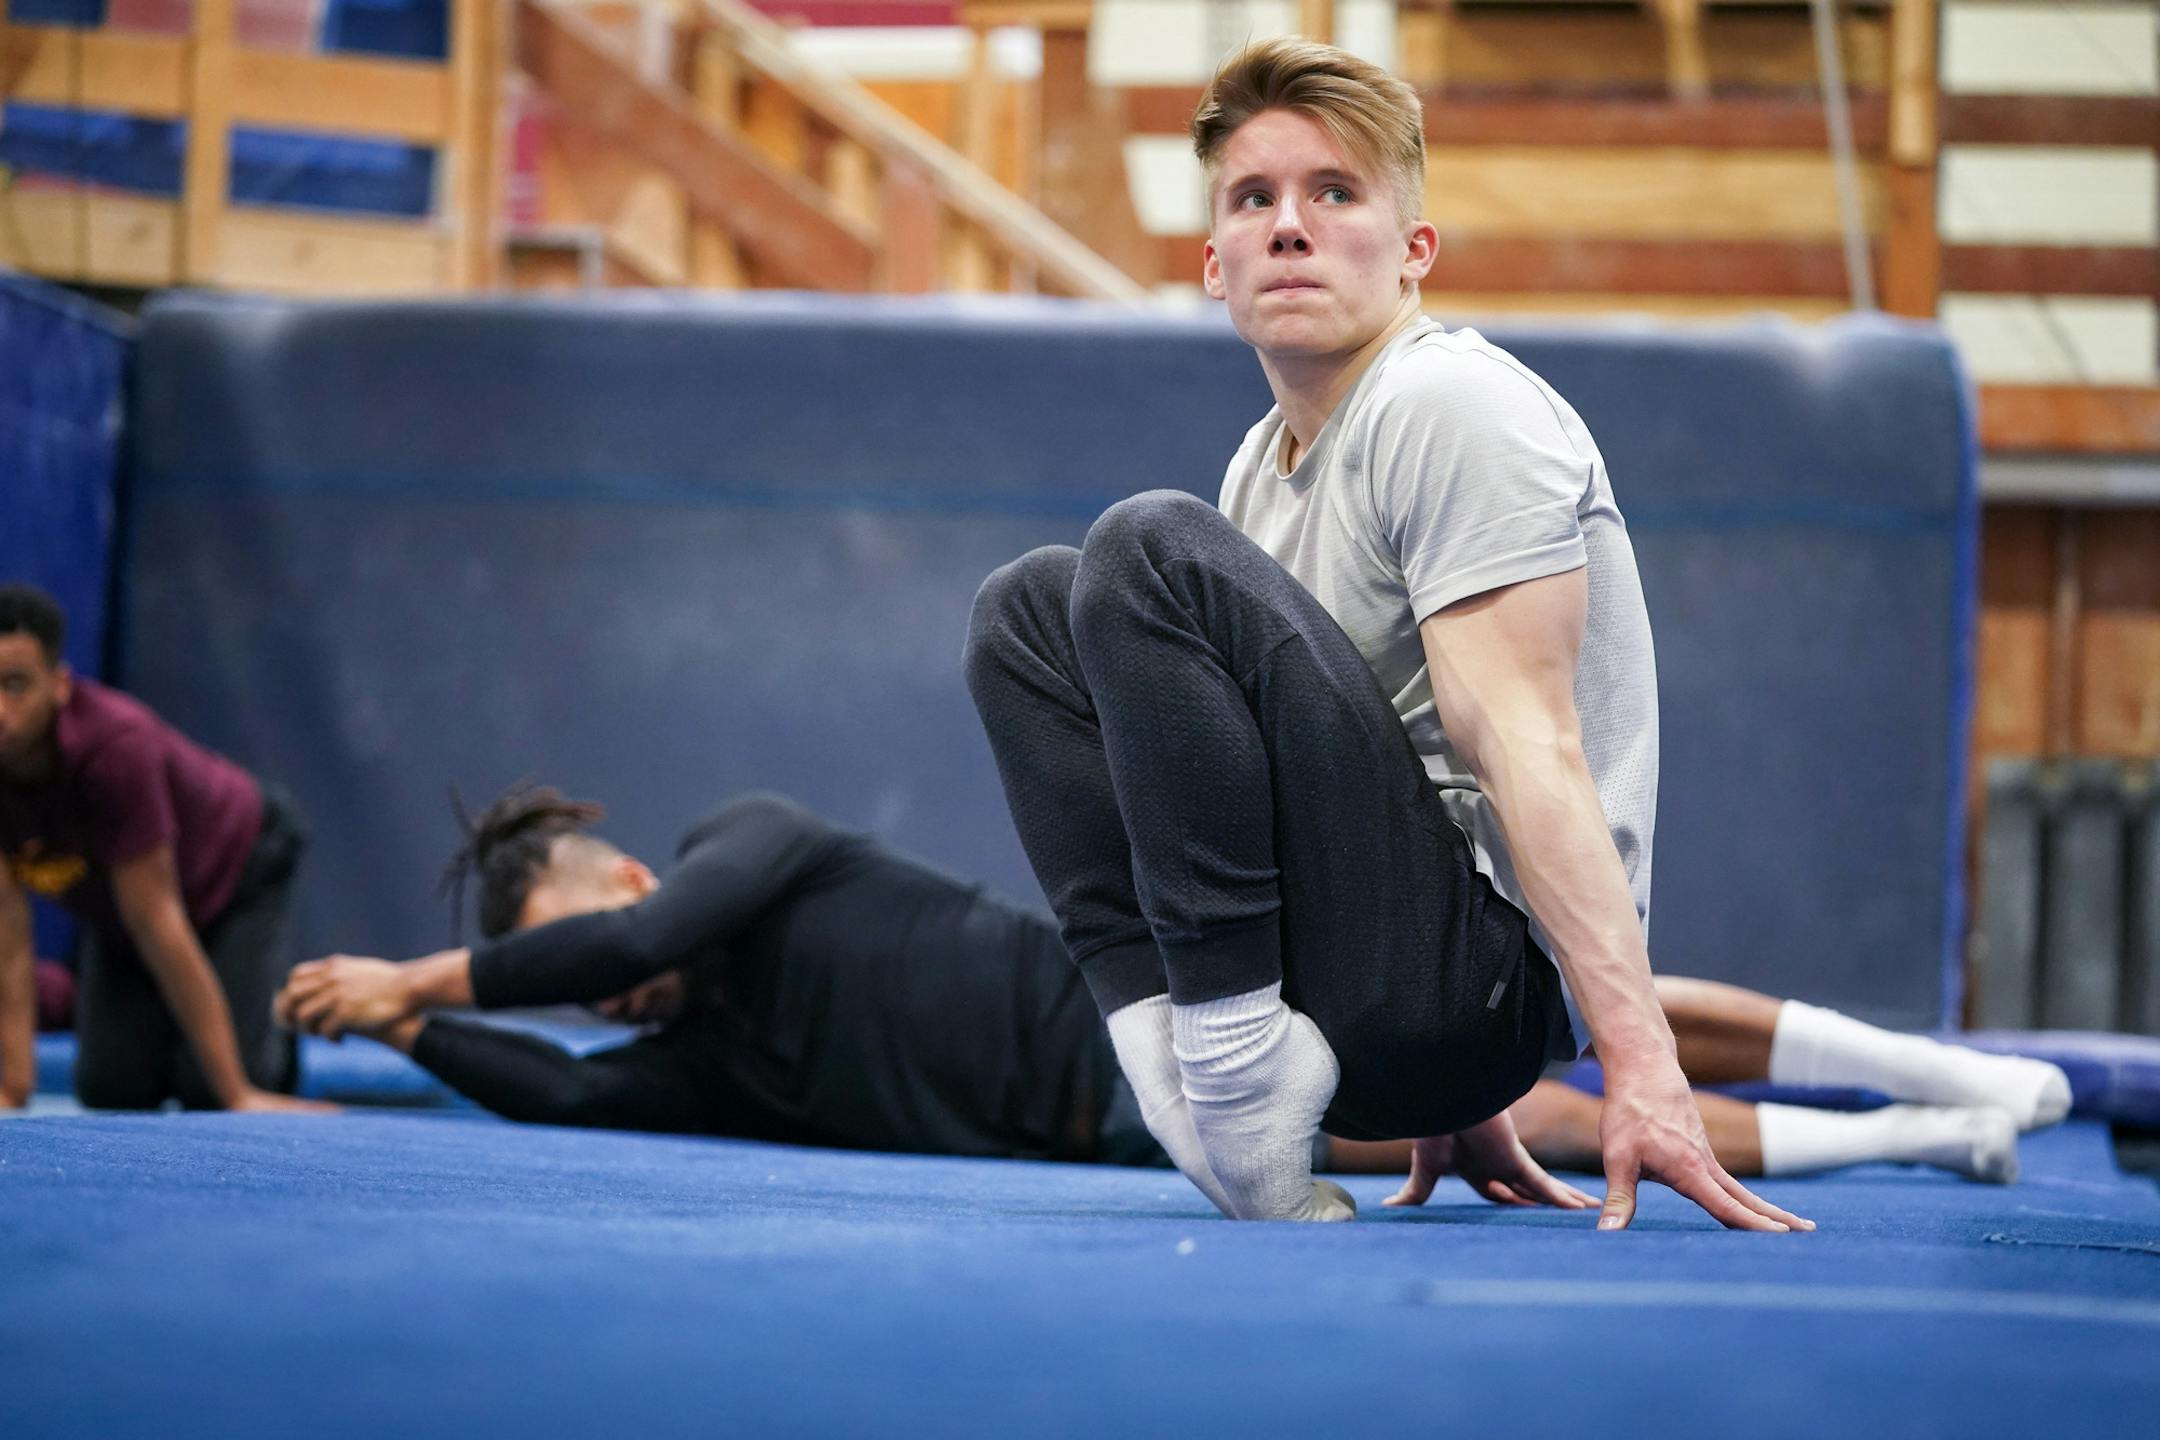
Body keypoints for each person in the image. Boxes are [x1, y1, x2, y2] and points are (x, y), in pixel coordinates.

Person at [963, 36, 1818, 1226]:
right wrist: (1448, 1104)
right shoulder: (1260, 466)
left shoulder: (1452, 405)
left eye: (1334, 193)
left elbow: (1525, 744)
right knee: (1024, 611)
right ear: (1213, 265)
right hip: (1369, 1008)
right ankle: (1180, 1076)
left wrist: (1637, 1062)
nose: (1288, 228)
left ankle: (1234, 1085)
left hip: (1468, 991)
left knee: (1146, 543)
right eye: (1253, 200)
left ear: (1415, 250)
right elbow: (1328, 766)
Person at [276, 786, 2069, 1190]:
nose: (614, 991)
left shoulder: (753, 848)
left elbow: (614, 957)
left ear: (627, 886)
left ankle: (1932, 1068)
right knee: (1527, 1119)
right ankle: (1926, 1136)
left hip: (1191, 991)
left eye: (600, 941)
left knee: (1567, 1006)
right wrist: (423, 1032)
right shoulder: (713, 1067)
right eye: (593, 979)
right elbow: (570, 1076)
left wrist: (419, 973)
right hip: (1175, 1133)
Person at [0, 583, 327, 1113]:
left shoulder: (116, 750)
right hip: (124, 908)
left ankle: (269, 1042)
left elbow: (157, 921)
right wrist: (13, 1090)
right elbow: (9, 935)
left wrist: (237, 1093)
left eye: (16, 685)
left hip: (238, 866)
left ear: (59, 686)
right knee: (111, 1089)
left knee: (209, 1092)